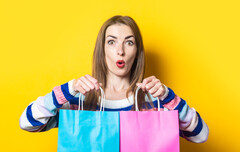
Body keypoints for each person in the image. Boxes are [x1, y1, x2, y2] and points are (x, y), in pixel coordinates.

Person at [19, 15, 209, 143]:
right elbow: (27, 123)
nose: (120, 50)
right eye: (111, 42)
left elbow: (201, 135)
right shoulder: (80, 102)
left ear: (137, 52)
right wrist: (68, 90)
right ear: (102, 50)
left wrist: (168, 97)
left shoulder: (152, 102)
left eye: (129, 42)